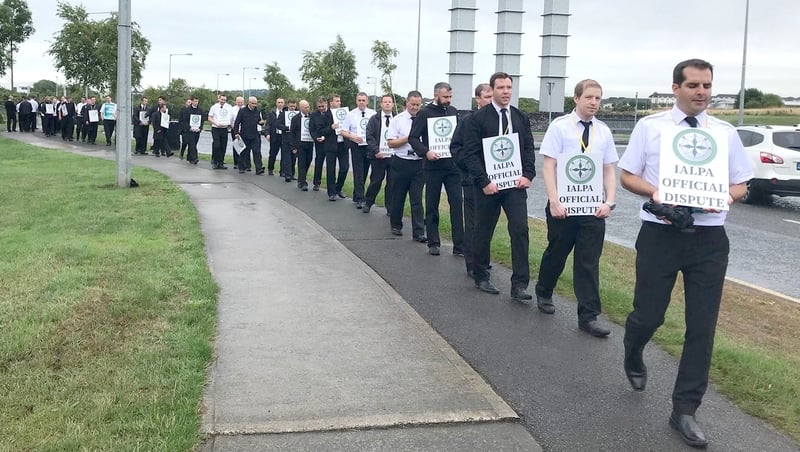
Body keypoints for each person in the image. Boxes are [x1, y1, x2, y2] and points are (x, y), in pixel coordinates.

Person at [618, 58, 752, 448]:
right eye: (693, 85)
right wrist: (654, 193)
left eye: (707, 86)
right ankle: (633, 346)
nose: (702, 93)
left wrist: (726, 195)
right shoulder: (651, 127)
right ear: (675, 87)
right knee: (649, 315)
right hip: (661, 232)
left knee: (701, 326)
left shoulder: (725, 133)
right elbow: (628, 176)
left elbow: (742, 184)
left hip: (709, 240)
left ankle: (685, 409)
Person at [533, 79, 618, 337]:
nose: (594, 102)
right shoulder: (560, 128)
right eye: (589, 97)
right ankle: (544, 291)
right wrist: (554, 200)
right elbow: (549, 166)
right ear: (577, 99)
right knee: (556, 253)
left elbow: (608, 169)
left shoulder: (603, 131)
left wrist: (609, 202)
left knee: (588, 262)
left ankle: (588, 316)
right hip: (564, 208)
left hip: (592, 210)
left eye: (598, 98)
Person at [462, 71, 536, 300]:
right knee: (483, 231)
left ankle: (520, 284)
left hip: (514, 186)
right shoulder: (477, 119)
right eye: (501, 88)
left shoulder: (520, 118)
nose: (506, 92)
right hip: (488, 187)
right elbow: (470, 154)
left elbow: (528, 148)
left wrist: (528, 175)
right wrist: (484, 182)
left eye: (509, 88)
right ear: (492, 90)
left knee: (520, 230)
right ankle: (481, 275)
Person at [409, 82, 463, 256]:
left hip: (452, 167)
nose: (448, 100)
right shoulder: (425, 113)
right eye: (445, 97)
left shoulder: (454, 112)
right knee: (432, 204)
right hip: (433, 166)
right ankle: (433, 241)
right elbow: (413, 137)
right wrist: (426, 152)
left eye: (450, 97)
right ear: (436, 95)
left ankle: (459, 245)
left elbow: (459, 137)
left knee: (457, 204)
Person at [450, 83, 493, 277]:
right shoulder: (467, 121)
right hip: (472, 181)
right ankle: (471, 263)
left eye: (493, 96)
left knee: (488, 223)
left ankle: (482, 259)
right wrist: (469, 169)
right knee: (473, 222)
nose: (490, 100)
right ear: (478, 99)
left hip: (495, 182)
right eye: (487, 97)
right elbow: (456, 148)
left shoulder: (501, 122)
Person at [386, 91, 426, 242]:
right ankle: (396, 224)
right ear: (406, 103)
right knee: (398, 196)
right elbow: (391, 143)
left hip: (418, 163)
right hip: (401, 161)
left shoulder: (425, 119)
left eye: (418, 104)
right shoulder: (398, 120)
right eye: (412, 104)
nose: (415, 107)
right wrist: (409, 138)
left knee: (417, 198)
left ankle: (419, 231)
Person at [341, 92, 376, 208]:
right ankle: (361, 198)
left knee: (366, 170)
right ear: (356, 101)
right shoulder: (350, 114)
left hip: (369, 145)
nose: (361, 102)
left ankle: (357, 194)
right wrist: (352, 137)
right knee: (358, 171)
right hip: (356, 145)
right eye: (359, 100)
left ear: (367, 101)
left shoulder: (373, 114)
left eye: (363, 100)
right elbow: (343, 131)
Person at [363, 94, 395, 213]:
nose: (387, 104)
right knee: (376, 180)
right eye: (385, 102)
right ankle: (368, 202)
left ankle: (390, 207)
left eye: (389, 102)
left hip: (393, 156)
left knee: (392, 182)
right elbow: (369, 136)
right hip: (378, 156)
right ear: (381, 104)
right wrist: (376, 150)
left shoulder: (397, 119)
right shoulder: (374, 119)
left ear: (392, 104)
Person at [233, 96, 265, 174]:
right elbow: (237, 122)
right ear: (248, 103)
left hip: (254, 134)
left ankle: (259, 168)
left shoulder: (257, 111)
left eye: (255, 104)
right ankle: (242, 167)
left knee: (257, 152)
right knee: (244, 152)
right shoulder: (242, 111)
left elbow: (259, 121)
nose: (254, 105)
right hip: (244, 134)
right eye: (253, 103)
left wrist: (262, 122)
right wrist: (236, 133)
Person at [290, 100, 314, 190]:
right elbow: (292, 133)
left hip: (309, 143)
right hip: (300, 144)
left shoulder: (312, 117)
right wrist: (293, 147)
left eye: (308, 107)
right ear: (300, 108)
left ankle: (301, 178)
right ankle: (302, 181)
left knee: (308, 160)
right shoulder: (296, 118)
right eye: (305, 107)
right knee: (302, 162)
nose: (307, 109)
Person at [309, 96, 330, 191]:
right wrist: (315, 138)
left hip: (329, 141)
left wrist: (325, 137)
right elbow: (311, 128)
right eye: (319, 106)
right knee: (319, 162)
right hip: (319, 142)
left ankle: (331, 185)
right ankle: (316, 182)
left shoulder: (331, 113)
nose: (321, 108)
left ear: (326, 104)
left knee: (330, 164)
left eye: (322, 106)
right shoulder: (313, 115)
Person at [208, 95, 233, 169]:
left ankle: (221, 162)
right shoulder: (214, 107)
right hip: (216, 128)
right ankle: (215, 162)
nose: (223, 101)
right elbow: (209, 117)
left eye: (224, 100)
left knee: (223, 146)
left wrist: (230, 124)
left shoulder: (229, 107)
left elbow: (231, 117)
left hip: (224, 128)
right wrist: (216, 123)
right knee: (217, 145)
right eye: (222, 99)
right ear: (219, 99)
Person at [277, 99, 298, 182]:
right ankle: (287, 174)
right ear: (288, 105)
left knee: (294, 157)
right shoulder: (283, 114)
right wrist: (286, 128)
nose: (292, 108)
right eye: (291, 106)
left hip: (295, 139)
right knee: (287, 157)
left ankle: (292, 173)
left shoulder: (298, 114)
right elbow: (278, 125)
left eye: (294, 106)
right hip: (286, 137)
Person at [180, 96, 204, 164]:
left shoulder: (200, 110)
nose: (196, 103)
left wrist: (200, 128)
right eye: (195, 101)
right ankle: (194, 158)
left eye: (197, 101)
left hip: (197, 130)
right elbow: (185, 120)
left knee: (194, 144)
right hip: (190, 130)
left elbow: (202, 120)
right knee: (192, 144)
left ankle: (190, 157)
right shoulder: (187, 110)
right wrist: (189, 128)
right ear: (192, 101)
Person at [265, 97, 285, 176]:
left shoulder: (285, 113)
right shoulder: (272, 113)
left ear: (284, 104)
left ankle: (282, 171)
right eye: (279, 102)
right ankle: (270, 169)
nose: (280, 104)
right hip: (275, 136)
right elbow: (268, 124)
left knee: (284, 154)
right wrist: (267, 134)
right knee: (273, 153)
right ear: (276, 103)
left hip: (283, 136)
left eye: (282, 102)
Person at [230, 96, 246, 170]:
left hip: (244, 131)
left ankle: (244, 163)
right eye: (238, 102)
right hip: (235, 130)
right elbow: (230, 120)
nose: (240, 103)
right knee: (236, 146)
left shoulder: (246, 109)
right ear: (236, 102)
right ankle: (236, 162)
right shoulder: (232, 109)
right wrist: (234, 127)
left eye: (241, 102)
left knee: (244, 147)